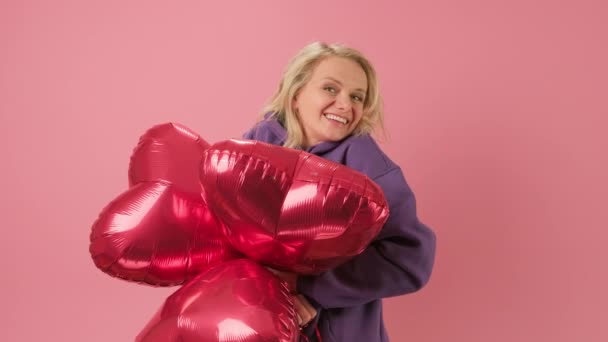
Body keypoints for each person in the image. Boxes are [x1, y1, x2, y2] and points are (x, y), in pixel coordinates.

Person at [242, 41, 436, 342]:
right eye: (331, 89)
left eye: (357, 96)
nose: (346, 104)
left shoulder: (372, 170)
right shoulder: (253, 147)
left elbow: (410, 258)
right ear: (296, 94)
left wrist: (312, 291)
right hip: (252, 322)